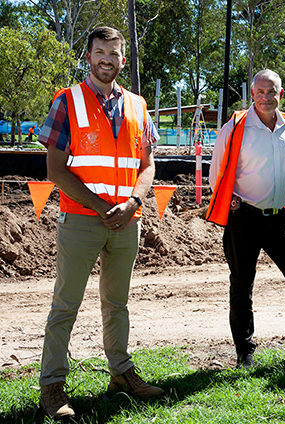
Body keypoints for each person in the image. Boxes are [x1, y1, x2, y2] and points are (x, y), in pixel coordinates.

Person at [37, 27, 163, 419]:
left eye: (114, 53)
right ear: (88, 56)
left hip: (128, 220)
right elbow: (56, 170)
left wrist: (134, 201)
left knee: (117, 303)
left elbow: (147, 165)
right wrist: (100, 206)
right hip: (81, 220)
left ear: (123, 59)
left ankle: (121, 373)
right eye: (99, 52)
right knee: (65, 305)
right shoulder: (66, 102)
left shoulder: (138, 106)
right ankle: (52, 386)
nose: (106, 59)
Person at [207, 69, 285, 368]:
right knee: (242, 286)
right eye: (261, 92)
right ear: (252, 94)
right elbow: (217, 173)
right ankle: (245, 353)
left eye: (272, 92)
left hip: (280, 218)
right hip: (245, 219)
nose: (266, 97)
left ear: (281, 93)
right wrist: (233, 201)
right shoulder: (235, 127)